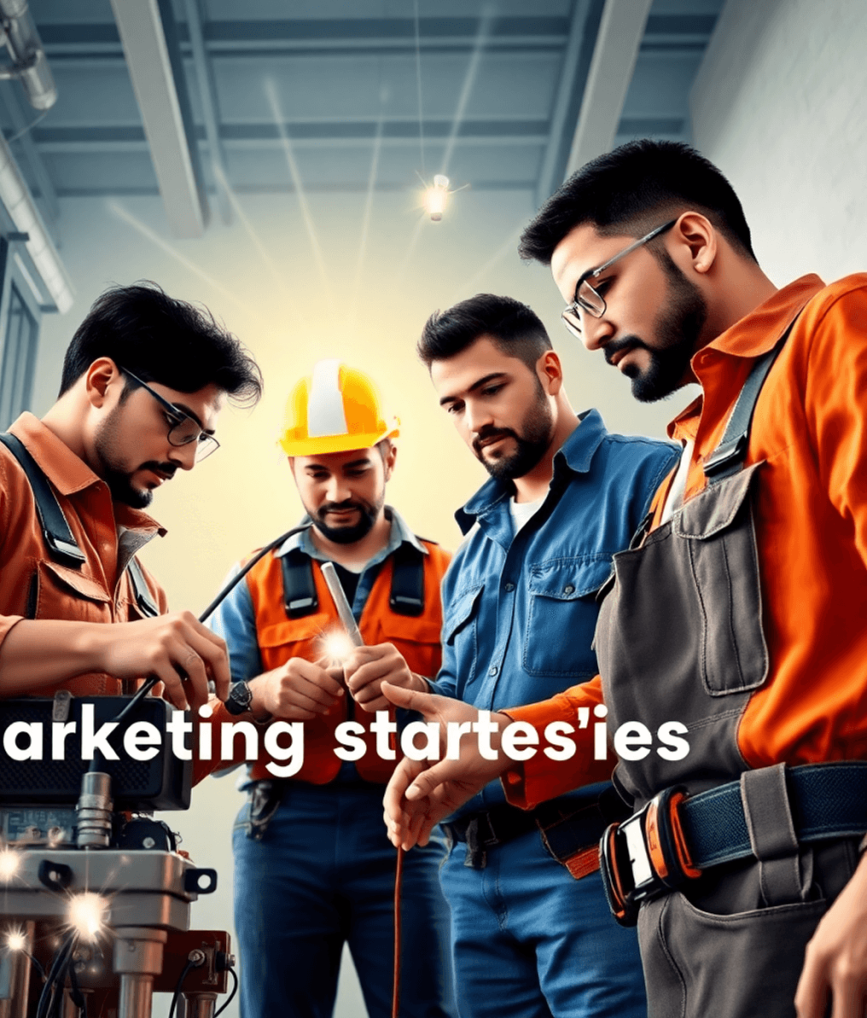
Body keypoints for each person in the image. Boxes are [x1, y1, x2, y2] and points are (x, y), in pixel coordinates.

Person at [383, 140, 867, 1018]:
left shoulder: (838, 337)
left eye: (597, 291)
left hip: (821, 879)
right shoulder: (691, 462)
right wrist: (503, 745)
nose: (595, 328)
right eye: (576, 312)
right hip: (696, 915)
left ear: (692, 240)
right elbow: (658, 707)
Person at [413, 294, 676, 1018]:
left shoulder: (652, 484)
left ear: (550, 371)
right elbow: (460, 699)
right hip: (470, 877)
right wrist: (406, 693)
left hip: (590, 863)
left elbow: (671, 687)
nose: (475, 422)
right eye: (454, 405)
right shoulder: (469, 553)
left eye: (490, 389)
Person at [0, 283, 260, 733]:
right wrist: (98, 644)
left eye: (201, 438)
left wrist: (264, 708)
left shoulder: (139, 589)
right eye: (179, 424)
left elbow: (144, 755)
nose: (188, 459)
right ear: (102, 383)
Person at [211, 359, 456, 1018]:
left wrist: (419, 690)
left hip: (412, 832)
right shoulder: (252, 582)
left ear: (390, 456)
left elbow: (487, 709)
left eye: (356, 468)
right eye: (317, 473)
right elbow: (200, 728)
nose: (337, 490)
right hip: (281, 832)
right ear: (293, 471)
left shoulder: (451, 574)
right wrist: (256, 695)